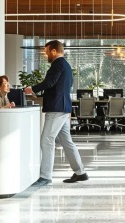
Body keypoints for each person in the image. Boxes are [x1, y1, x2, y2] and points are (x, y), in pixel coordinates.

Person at [30, 40, 88, 185]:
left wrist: (32, 89)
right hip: (63, 107)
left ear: (54, 51)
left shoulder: (58, 64)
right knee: (67, 141)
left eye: (46, 51)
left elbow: (49, 82)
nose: (46, 54)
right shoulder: (66, 65)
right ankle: (80, 172)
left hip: (56, 108)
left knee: (46, 141)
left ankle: (45, 177)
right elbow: (61, 85)